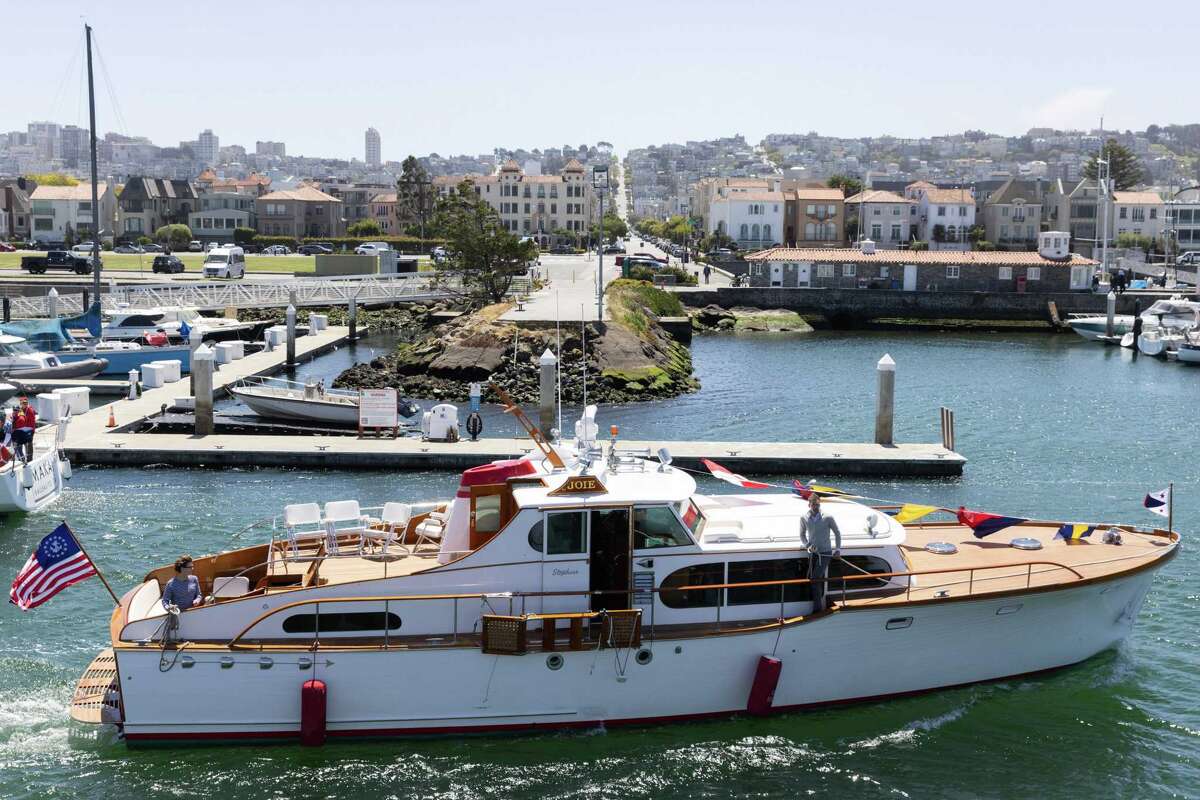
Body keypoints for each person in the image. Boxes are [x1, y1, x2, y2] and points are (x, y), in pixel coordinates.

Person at [799, 493, 842, 613]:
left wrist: (838, 549)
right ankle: (817, 603)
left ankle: (817, 610)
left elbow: (837, 533)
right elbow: (802, 534)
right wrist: (808, 545)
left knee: (815, 579)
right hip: (812, 553)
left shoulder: (828, 517)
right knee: (812, 578)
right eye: (813, 504)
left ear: (819, 504)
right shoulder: (804, 518)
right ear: (809, 505)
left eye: (817, 504)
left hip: (826, 553)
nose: (815, 507)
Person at [11, 396, 36, 463]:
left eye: (26, 403)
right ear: (21, 403)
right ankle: (22, 460)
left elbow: (33, 422)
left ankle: (29, 459)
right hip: (23, 431)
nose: (25, 404)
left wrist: (32, 431)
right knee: (22, 445)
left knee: (28, 445)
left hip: (29, 430)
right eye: (23, 403)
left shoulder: (30, 410)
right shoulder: (20, 410)